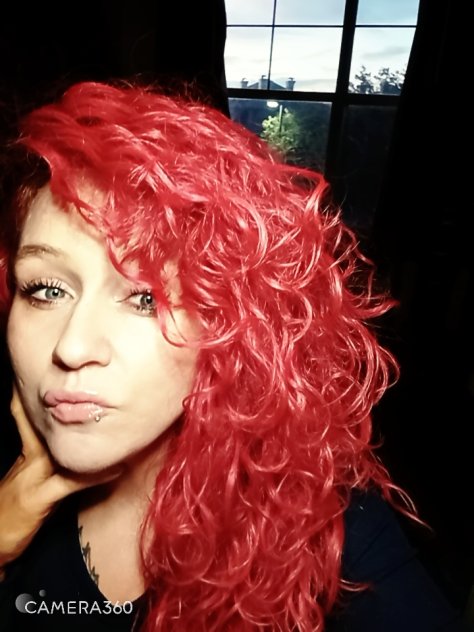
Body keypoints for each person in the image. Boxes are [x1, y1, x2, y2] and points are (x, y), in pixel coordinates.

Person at [0, 81, 467, 631]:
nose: (72, 347)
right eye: (46, 289)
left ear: (230, 325)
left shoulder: (326, 526)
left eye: (147, 298)